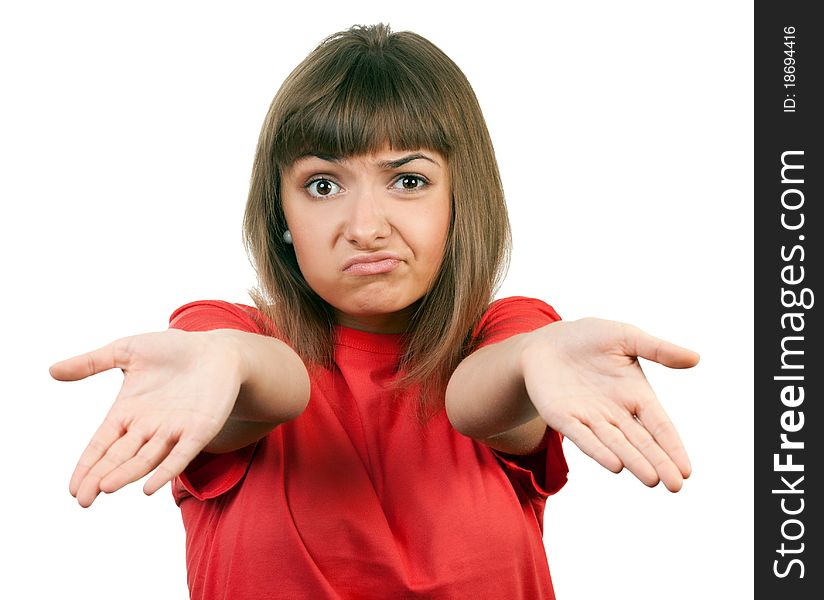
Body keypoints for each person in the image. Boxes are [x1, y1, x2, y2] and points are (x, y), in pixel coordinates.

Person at [49, 23, 699, 600]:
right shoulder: (223, 344)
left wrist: (535, 356)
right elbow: (273, 381)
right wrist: (221, 358)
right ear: (282, 213)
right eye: (323, 184)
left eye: (408, 180)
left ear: (459, 199)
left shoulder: (507, 339)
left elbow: (478, 399)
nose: (364, 227)